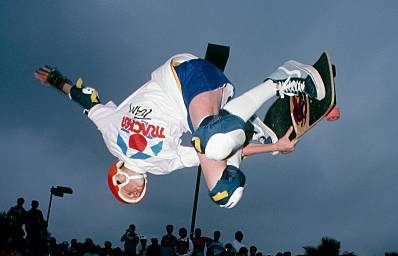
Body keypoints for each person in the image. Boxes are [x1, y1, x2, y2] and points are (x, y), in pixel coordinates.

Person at [34, 53, 325, 208]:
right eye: (137, 195)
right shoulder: (162, 166)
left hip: (179, 76)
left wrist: (57, 81)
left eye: (128, 192)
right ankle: (252, 132)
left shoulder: (111, 136)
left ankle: (282, 78)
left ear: (118, 177)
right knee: (225, 195)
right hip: (211, 104)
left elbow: (85, 100)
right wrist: (274, 148)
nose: (136, 191)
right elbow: (207, 157)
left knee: (212, 141)